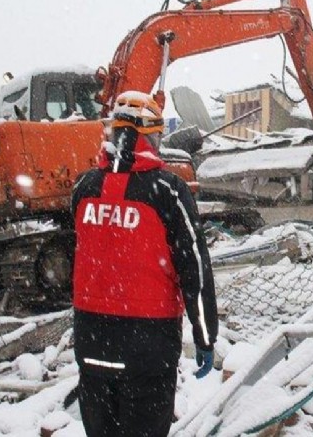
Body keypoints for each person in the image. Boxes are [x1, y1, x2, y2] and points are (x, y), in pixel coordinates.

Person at [72, 91, 218, 437]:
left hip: (91, 343)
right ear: (151, 136)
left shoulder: (84, 188)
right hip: (148, 347)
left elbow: (78, 254)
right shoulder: (168, 191)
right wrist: (205, 336)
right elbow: (194, 269)